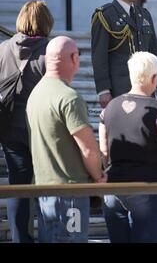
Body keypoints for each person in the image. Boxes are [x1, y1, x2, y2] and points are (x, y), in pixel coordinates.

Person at [26, 36, 106, 243]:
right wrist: (98, 177)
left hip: (44, 189)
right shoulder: (69, 97)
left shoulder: (35, 94)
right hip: (70, 191)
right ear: (73, 58)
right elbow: (88, 149)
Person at [100, 52, 157, 243]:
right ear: (154, 79)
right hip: (150, 189)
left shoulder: (109, 108)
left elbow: (104, 152)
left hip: (113, 188)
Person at [0, 0, 53, 243]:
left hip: (9, 128)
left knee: (18, 186)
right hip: (41, 130)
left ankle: (20, 239)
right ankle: (48, 236)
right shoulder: (50, 51)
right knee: (47, 187)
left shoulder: (2, 49)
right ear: (46, 21)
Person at [91, 0, 157, 109]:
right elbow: (99, 56)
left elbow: (154, 51)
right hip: (120, 88)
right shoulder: (105, 15)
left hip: (147, 88)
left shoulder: (144, 14)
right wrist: (103, 89)